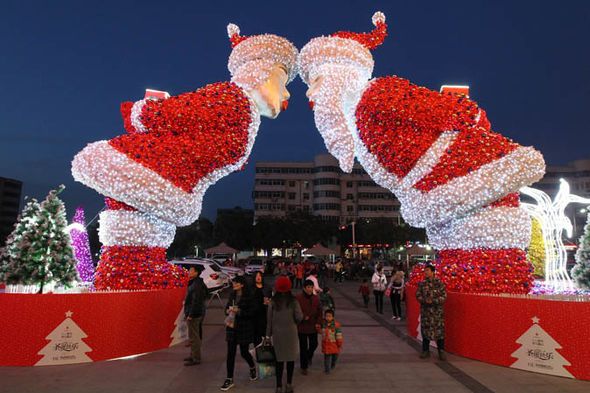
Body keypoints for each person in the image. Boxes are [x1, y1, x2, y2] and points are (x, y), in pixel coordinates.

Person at [72, 23, 299, 291]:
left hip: (172, 180)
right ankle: (124, 271)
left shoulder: (244, 110)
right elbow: (170, 113)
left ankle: (143, 266)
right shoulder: (230, 99)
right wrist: (141, 110)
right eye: (283, 83)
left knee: (151, 222)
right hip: (149, 168)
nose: (286, 94)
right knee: (136, 216)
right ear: (260, 74)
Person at [266, 275, 303, 393]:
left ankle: (278, 386)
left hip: (277, 335)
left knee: (279, 361)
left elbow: (269, 320)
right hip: (291, 334)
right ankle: (289, 384)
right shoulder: (293, 301)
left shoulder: (272, 302)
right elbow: (299, 317)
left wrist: (268, 335)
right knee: (290, 360)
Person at [221, 276, 257, 391]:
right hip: (231, 327)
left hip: (243, 328)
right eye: (234, 283)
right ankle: (229, 378)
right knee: (230, 354)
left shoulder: (249, 297)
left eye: (236, 283)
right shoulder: (232, 295)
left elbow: (252, 312)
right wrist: (227, 310)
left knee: (244, 352)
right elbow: (226, 307)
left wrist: (240, 311)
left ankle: (252, 367)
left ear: (242, 284)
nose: (234, 285)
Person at [416, 265, 447, 361]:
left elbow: (444, 296)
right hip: (426, 313)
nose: (425, 272)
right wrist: (425, 300)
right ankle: (425, 350)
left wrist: (434, 301)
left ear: (433, 272)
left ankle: (441, 351)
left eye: (427, 270)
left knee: (439, 332)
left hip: (437, 313)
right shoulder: (422, 284)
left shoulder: (439, 283)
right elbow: (418, 295)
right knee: (425, 332)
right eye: (425, 270)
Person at [296, 279, 322, 375]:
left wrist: (319, 322)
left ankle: (308, 356)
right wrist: (302, 317)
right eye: (308, 287)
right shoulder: (298, 298)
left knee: (314, 344)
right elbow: (295, 311)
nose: (310, 289)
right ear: (304, 288)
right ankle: (304, 367)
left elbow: (320, 311)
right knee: (303, 347)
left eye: (311, 287)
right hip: (302, 326)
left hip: (313, 325)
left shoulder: (316, 298)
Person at [183, 265, 208, 366]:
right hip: (197, 311)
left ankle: (196, 358)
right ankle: (193, 354)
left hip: (195, 313)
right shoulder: (197, 282)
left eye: (191, 270)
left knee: (194, 336)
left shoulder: (196, 284)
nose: (189, 272)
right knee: (193, 335)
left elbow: (196, 300)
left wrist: (191, 314)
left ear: (196, 273)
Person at [318, 309, 343, 374]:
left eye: (329, 316)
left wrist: (339, 343)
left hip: (334, 344)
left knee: (335, 356)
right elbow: (321, 332)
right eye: (326, 316)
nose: (328, 318)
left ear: (333, 317)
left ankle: (333, 364)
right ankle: (327, 369)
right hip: (326, 344)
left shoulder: (336, 325)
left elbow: (339, 335)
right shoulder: (323, 324)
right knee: (327, 358)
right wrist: (318, 328)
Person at [252, 271, 271, 345]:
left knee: (264, 337)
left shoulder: (267, 288)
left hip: (264, 315)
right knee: (256, 339)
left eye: (260, 275)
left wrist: (269, 302)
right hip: (254, 316)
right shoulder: (251, 288)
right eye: (256, 276)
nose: (258, 277)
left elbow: (271, 299)